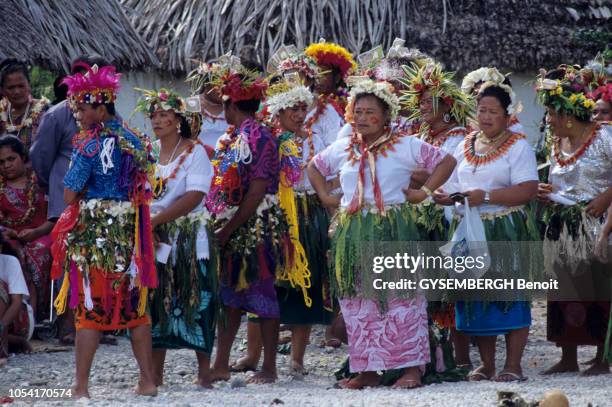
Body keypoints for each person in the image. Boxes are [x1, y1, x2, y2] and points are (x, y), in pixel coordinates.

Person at [308, 78, 457, 389]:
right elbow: (314, 167)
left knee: (402, 299)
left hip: (393, 228)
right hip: (354, 230)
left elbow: (447, 160)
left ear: (386, 115)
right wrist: (325, 196)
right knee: (358, 301)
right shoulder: (344, 148)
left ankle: (411, 369)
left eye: (369, 112)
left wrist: (425, 191)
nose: (362, 118)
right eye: (357, 111)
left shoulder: (405, 145)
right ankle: (367, 370)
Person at [50, 63, 157, 397]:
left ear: (99, 105)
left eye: (82, 108)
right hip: (129, 233)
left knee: (90, 308)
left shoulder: (88, 144)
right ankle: (148, 381)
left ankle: (81, 386)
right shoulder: (136, 141)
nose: (78, 116)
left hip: (97, 230)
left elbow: (69, 192)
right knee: (135, 305)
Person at [434, 82, 539, 382]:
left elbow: (528, 189)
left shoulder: (518, 146)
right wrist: (444, 195)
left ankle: (513, 365)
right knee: (476, 295)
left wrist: (488, 198)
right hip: (469, 226)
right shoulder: (465, 144)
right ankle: (488, 364)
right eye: (482, 110)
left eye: (493, 111)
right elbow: (453, 182)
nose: (486, 117)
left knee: (511, 294)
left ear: (507, 115)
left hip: (504, 227)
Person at [206, 65, 290, 384]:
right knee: (230, 295)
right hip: (237, 220)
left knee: (261, 293)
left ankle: (269, 367)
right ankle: (221, 364)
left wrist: (228, 228)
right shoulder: (238, 137)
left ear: (232, 105)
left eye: (224, 102)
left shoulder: (260, 137)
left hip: (256, 226)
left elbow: (256, 190)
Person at [30, 54, 118, 346]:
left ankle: (98, 323)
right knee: (68, 260)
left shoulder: (110, 118)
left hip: (101, 200)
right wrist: (54, 187)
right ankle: (67, 325)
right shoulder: (56, 115)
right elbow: (40, 157)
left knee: (100, 257)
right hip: (66, 195)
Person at [134, 88, 217, 387]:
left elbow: (195, 196)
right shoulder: (147, 152)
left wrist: (155, 220)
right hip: (154, 235)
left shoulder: (196, 152)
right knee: (156, 303)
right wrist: (147, 222)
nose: (158, 120)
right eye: (154, 115)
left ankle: (204, 372)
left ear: (178, 120)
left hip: (189, 237)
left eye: (165, 114)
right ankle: (155, 374)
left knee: (198, 298)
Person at [536, 67, 611, 376]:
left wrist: (607, 197)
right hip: (563, 227)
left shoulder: (605, 136)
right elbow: (561, 181)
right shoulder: (556, 145)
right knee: (564, 289)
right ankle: (567, 355)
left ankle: (602, 357)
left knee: (599, 286)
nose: (548, 121)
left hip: (600, 224)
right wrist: (547, 192)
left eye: (552, 115)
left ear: (568, 115)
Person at [402, 62, 474, 375]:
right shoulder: (419, 135)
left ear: (446, 104)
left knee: (450, 290)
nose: (419, 106)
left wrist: (414, 176)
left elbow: (449, 177)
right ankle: (428, 355)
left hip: (447, 217)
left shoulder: (460, 138)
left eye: (426, 99)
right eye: (417, 100)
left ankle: (460, 358)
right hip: (418, 216)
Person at [0, 135, 53, 321]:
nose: (6, 165)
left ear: (23, 157)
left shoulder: (42, 182)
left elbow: (55, 216)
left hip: (43, 233)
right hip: (10, 236)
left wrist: (37, 232)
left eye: (11, 159)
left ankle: (39, 314)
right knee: (14, 253)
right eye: (1, 162)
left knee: (39, 251)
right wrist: (10, 233)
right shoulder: (0, 187)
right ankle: (20, 318)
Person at [0, 60, 49, 150]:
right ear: (2, 90)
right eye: (11, 87)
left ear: (29, 85)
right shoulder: (2, 114)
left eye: (21, 86)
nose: (17, 91)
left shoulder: (47, 112)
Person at [0, 233, 33, 364]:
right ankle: (12, 341)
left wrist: (1, 326)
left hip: (15, 319)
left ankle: (6, 341)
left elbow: (17, 302)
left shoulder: (10, 262)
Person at [461, 67, 524, 135]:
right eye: (475, 94)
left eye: (484, 94)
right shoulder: (464, 124)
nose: (479, 99)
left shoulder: (512, 126)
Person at [186, 61, 229, 152]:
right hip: (197, 160)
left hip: (228, 162)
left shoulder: (232, 106)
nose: (222, 89)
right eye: (218, 84)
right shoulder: (192, 104)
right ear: (206, 84)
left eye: (225, 84)